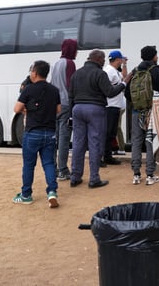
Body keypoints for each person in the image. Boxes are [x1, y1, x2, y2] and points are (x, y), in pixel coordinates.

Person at [69, 49, 127, 189]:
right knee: (95, 143)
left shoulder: (76, 74)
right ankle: (94, 179)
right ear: (98, 59)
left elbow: (71, 95)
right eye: (102, 60)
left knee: (78, 144)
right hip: (95, 109)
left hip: (77, 109)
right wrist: (123, 84)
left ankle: (75, 177)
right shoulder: (99, 73)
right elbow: (110, 92)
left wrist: (71, 114)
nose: (103, 62)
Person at [13, 60, 61, 207]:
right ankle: (52, 192)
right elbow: (58, 110)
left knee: (28, 165)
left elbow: (16, 108)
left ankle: (26, 195)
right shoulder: (54, 90)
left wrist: (26, 109)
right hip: (50, 133)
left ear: (35, 72)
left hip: (32, 132)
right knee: (48, 163)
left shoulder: (29, 89)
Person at [125, 45, 159, 186]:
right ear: (154, 56)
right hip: (152, 111)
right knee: (150, 140)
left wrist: (137, 102)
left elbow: (127, 93)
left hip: (137, 110)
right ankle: (150, 174)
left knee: (136, 142)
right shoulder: (156, 71)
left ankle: (136, 175)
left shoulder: (135, 70)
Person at [49, 38, 78, 181]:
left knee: (54, 138)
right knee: (64, 139)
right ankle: (63, 170)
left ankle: (53, 168)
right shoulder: (70, 63)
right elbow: (71, 84)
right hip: (66, 103)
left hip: (54, 104)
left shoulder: (55, 64)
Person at [101, 50, 128, 167]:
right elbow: (104, 87)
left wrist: (125, 65)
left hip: (115, 106)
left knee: (111, 133)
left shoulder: (114, 71)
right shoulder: (108, 71)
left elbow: (124, 77)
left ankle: (108, 156)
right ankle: (103, 157)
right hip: (109, 106)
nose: (122, 61)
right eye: (121, 59)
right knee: (107, 133)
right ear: (117, 60)